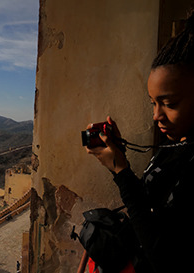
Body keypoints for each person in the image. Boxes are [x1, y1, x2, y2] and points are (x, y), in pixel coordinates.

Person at [85, 6, 194, 273]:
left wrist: (121, 171)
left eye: (168, 103)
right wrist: (119, 158)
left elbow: (164, 258)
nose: (157, 116)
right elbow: (148, 205)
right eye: (153, 103)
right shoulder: (177, 142)